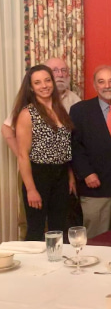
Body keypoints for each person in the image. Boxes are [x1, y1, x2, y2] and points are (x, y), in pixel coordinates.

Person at [70, 66, 111, 238]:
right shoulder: (80, 110)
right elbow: (75, 146)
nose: (107, 86)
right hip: (95, 186)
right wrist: (87, 173)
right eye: (101, 81)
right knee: (97, 238)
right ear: (94, 85)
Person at [13, 65, 75, 241]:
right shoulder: (28, 113)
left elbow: (64, 146)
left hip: (61, 174)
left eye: (47, 80)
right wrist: (31, 189)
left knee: (59, 227)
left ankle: (55, 265)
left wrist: (69, 175)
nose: (44, 85)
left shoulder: (60, 109)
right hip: (38, 174)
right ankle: (31, 268)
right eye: (38, 82)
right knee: (36, 228)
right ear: (31, 87)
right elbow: (23, 155)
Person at [3, 57, 81, 155]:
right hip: (38, 165)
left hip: (64, 164)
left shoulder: (75, 99)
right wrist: (21, 156)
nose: (60, 74)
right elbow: (7, 128)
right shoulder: (29, 104)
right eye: (55, 70)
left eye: (63, 70)